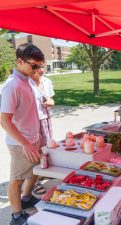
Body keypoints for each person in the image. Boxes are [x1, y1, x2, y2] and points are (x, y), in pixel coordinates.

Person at [1, 44, 44, 225]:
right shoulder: (12, 85)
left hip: (33, 138)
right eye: (34, 66)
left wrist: (37, 136)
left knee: (36, 170)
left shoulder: (27, 80)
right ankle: (16, 215)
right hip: (20, 143)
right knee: (16, 179)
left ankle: (26, 198)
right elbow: (4, 120)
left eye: (40, 66)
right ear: (20, 61)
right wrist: (25, 143)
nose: (38, 70)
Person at [29, 69, 55, 195]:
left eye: (42, 65)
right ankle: (33, 181)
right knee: (35, 149)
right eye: (37, 66)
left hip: (46, 117)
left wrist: (50, 102)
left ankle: (43, 173)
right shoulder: (26, 83)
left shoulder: (46, 81)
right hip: (32, 120)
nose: (41, 70)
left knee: (47, 146)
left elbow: (51, 100)